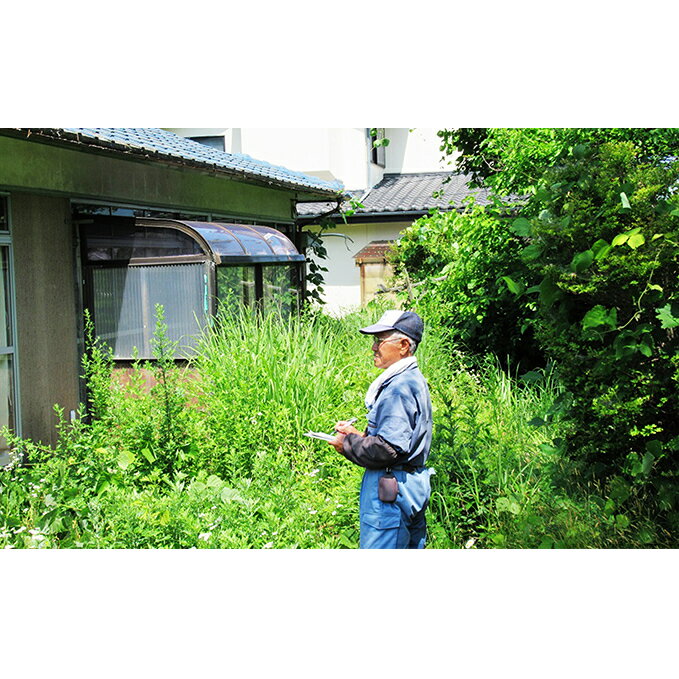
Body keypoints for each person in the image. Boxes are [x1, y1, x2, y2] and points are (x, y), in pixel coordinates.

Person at [329, 309, 434, 549]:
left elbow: (388, 450)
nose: (374, 347)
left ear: (404, 345)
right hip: (411, 484)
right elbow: (400, 438)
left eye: (380, 340)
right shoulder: (413, 379)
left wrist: (346, 444)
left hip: (391, 489)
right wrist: (359, 436)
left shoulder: (399, 387)